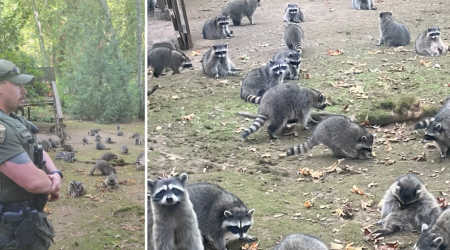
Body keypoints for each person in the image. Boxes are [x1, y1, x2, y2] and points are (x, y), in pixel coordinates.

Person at [0, 59, 62, 249]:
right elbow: (33, 182)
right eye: (17, 84)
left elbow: (38, 150)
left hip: (24, 223)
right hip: (8, 233)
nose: (24, 90)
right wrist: (51, 184)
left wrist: (56, 173)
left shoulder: (14, 120)